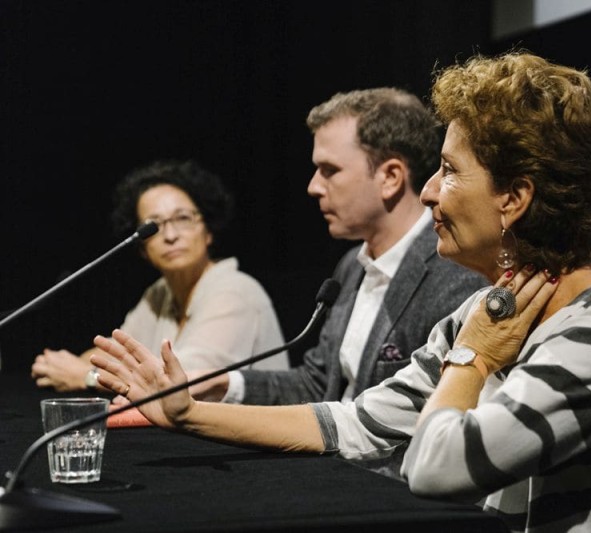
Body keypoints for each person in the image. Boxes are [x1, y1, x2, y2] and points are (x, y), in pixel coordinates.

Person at [92, 51, 591, 531]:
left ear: (514, 198)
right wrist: (191, 413)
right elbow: (354, 423)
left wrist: (473, 358)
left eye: (450, 170)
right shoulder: (484, 311)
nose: (429, 191)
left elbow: (437, 468)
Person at [185, 87, 487, 408]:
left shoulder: (457, 272)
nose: (313, 187)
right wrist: (222, 384)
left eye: (329, 171)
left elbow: (433, 415)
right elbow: (319, 385)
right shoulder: (352, 266)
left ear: (390, 177)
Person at [31, 159, 289, 392]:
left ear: (208, 231)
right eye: (154, 226)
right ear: (142, 248)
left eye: (183, 218)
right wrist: (63, 365)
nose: (170, 236)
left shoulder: (236, 292)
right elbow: (115, 352)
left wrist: (87, 376)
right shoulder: (159, 294)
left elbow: (180, 384)